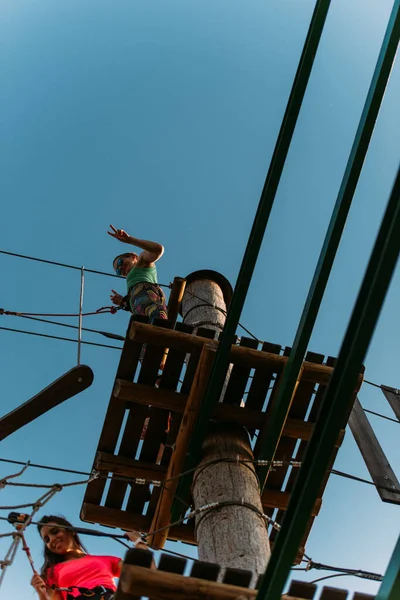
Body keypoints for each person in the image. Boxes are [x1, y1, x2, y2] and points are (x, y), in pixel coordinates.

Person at [30, 515, 148, 600]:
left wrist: (139, 541)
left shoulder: (107, 560)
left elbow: (142, 572)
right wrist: (41, 593)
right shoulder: (51, 572)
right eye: (47, 539)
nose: (52, 539)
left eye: (55, 532)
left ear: (71, 531)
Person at [108, 225, 167, 322]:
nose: (121, 268)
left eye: (120, 262)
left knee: (156, 318)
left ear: (133, 257)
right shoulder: (132, 285)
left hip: (150, 295)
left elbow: (158, 250)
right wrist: (124, 302)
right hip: (143, 307)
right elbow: (139, 308)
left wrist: (130, 240)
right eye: (118, 271)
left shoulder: (142, 260)